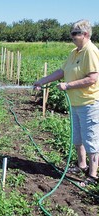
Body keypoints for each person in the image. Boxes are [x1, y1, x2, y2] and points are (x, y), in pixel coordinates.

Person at [33, 19, 99, 187]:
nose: (72, 37)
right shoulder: (74, 51)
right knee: (77, 138)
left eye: (74, 34)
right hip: (75, 103)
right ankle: (81, 165)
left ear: (85, 34)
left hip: (89, 103)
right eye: (71, 34)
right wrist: (42, 81)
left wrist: (68, 85)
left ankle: (92, 175)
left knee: (90, 139)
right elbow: (62, 71)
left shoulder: (90, 51)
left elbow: (93, 78)